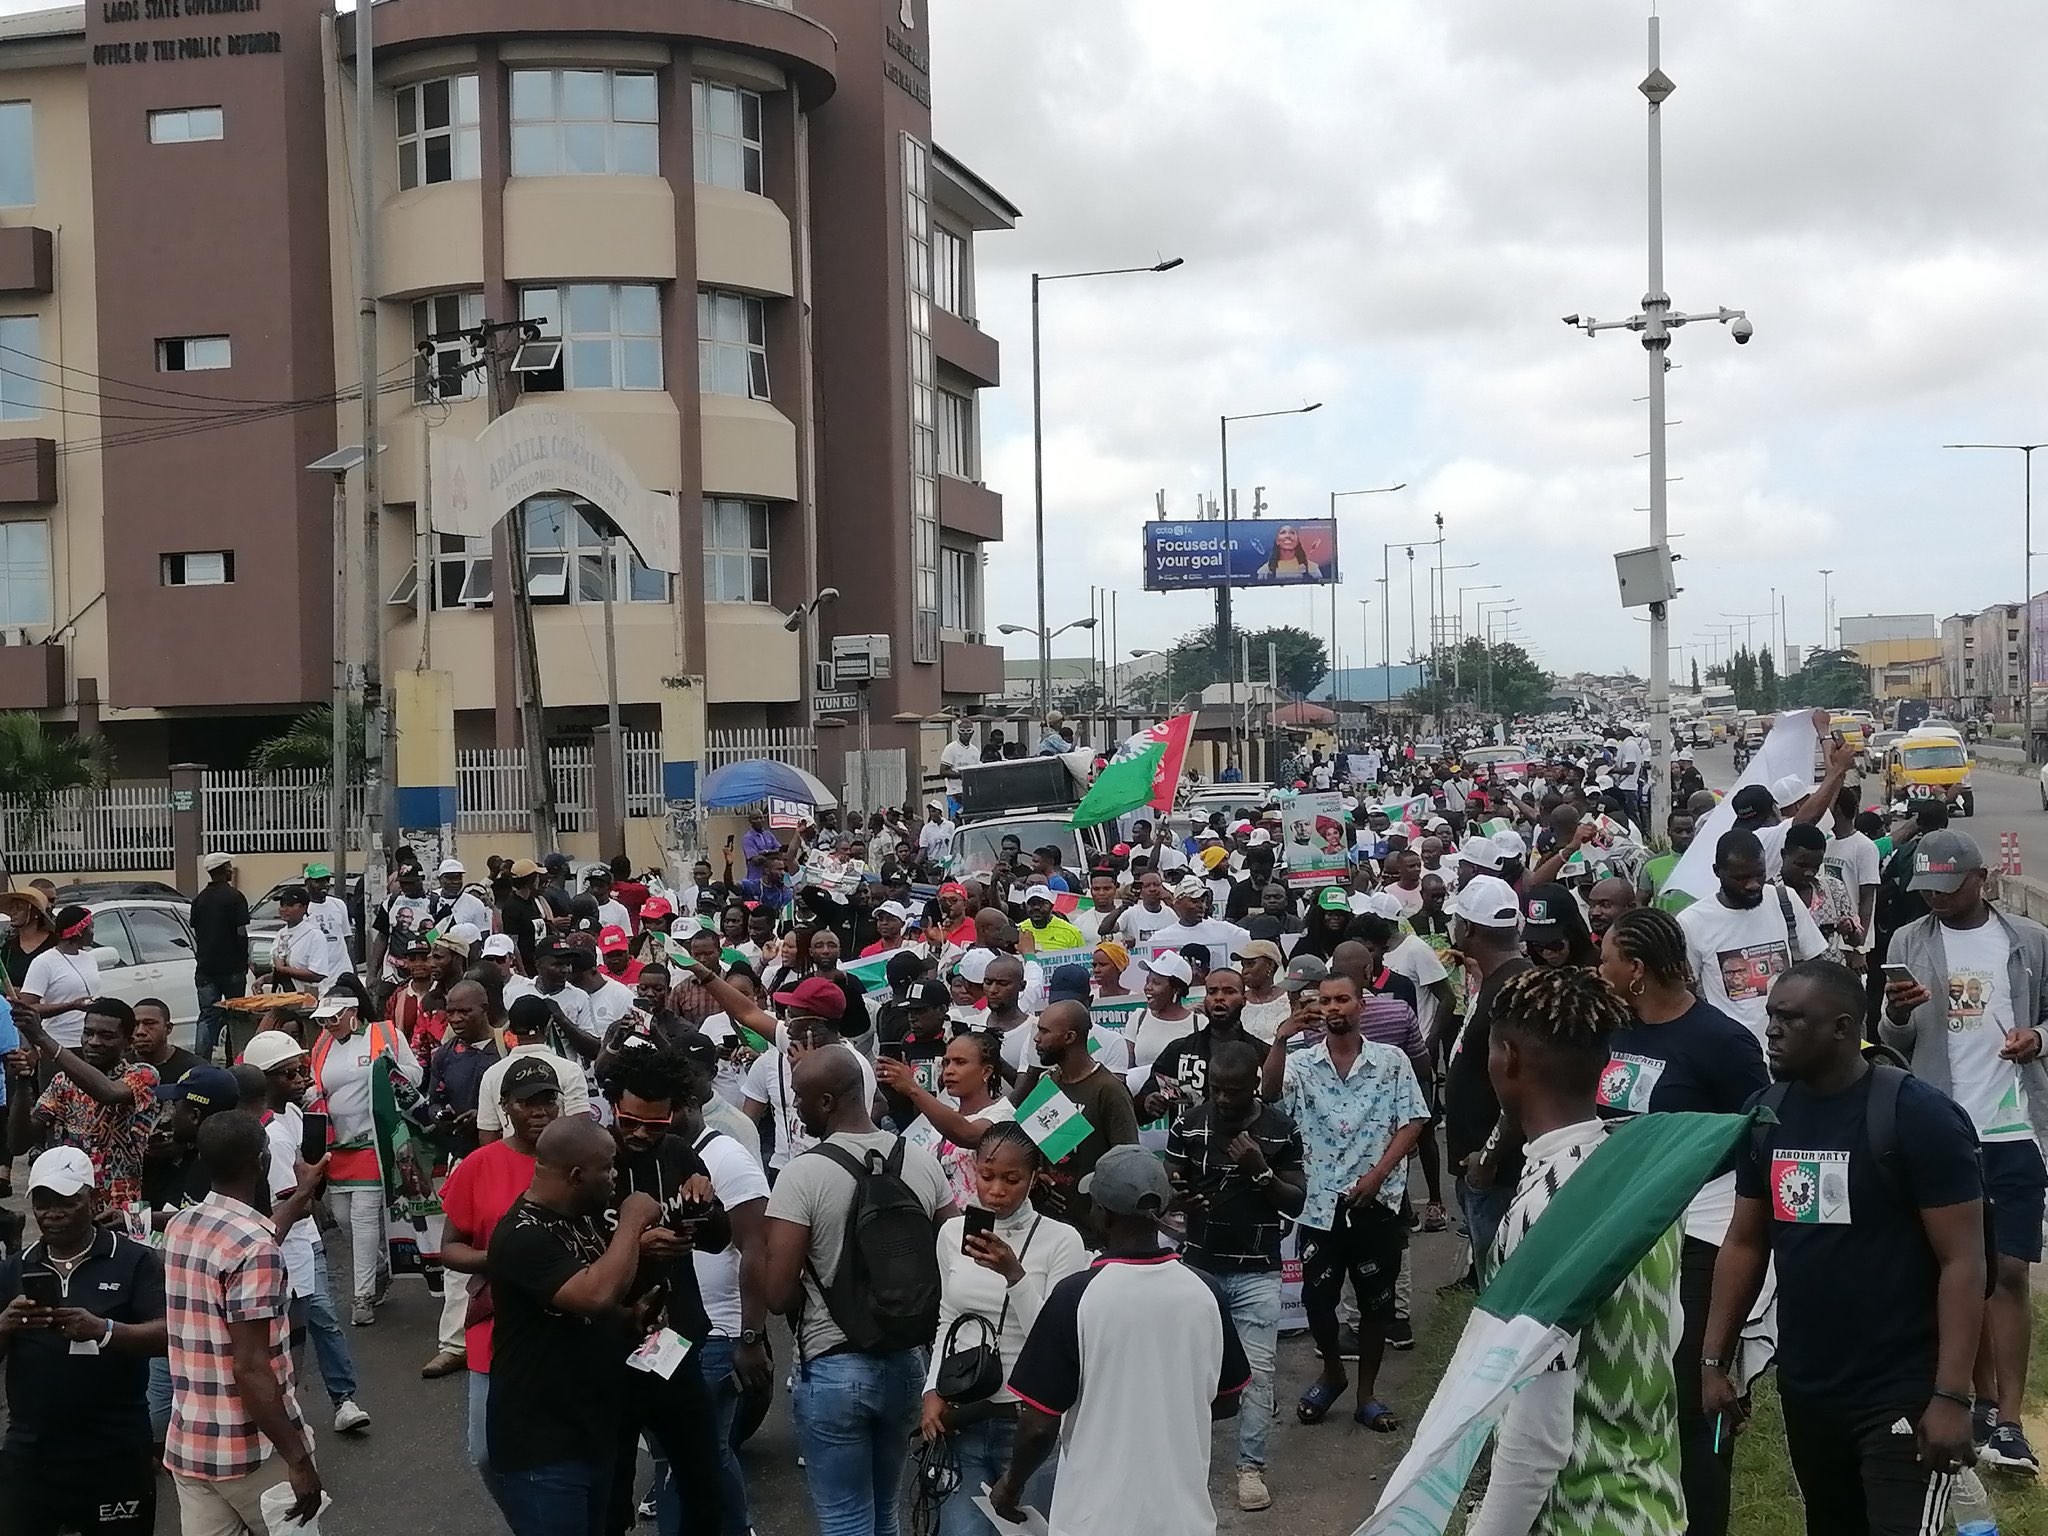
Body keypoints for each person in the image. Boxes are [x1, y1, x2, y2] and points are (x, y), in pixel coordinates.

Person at [1704, 961, 1985, 1535]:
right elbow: (1744, 1243)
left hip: (1904, 1388)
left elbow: (1964, 1261)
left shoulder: (1917, 1116)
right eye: (1772, 1014)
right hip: (1809, 1387)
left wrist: (1953, 1394)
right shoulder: (1766, 1115)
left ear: (1841, 1027)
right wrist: (1713, 1361)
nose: (1772, 1028)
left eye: (1791, 1018)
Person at [1463, 965, 1686, 1536]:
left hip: (1581, 1516)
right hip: (1655, 1503)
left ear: (1507, 1058)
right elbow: (1668, 1328)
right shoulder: (1640, 1176)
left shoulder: (1545, 1212)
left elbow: (1536, 1432)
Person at [1592, 907, 1766, 1535]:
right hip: (1627, 1232)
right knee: (1636, 1391)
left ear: (1635, 969)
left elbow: (1756, 1141)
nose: (1599, 966)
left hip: (1701, 1240)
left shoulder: (1722, 1042)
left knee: (1697, 1398)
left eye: (1607, 956)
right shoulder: (1615, 1032)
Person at [1879, 827, 2048, 1473]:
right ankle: (1974, 1402)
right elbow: (1889, 1033)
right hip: (1942, 1127)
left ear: (1981, 880)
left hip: (2013, 1127)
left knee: (2007, 1271)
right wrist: (1896, 1012)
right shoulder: (1907, 943)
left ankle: (2009, 1423)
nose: (1937, 901)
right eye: (1927, 890)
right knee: (1959, 1271)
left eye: (1949, 889)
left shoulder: (2028, 942)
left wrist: (2037, 1037)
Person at [989, 1145, 1250, 1536]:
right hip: (1184, 1522)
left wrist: (1010, 1486)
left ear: (1103, 1213)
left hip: (1094, 1522)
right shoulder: (1205, 1291)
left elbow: (1039, 1426)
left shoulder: (1075, 1297)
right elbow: (1229, 1398)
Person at [755, 1046, 953, 1536]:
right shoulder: (922, 1162)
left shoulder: (802, 1174)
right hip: (907, 1361)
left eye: (799, 1100)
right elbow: (952, 1255)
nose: (795, 1112)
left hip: (832, 1366)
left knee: (845, 1518)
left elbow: (777, 1296)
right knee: (886, 1511)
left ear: (825, 1101)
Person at [1261, 970, 1427, 1432]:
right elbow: (1270, 1099)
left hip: (1376, 1203)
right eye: (1325, 1001)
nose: (1333, 1008)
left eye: (1342, 1000)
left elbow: (1413, 1122)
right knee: (1318, 1297)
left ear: (1361, 1007)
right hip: (1318, 1204)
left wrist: (1378, 1175)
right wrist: (1279, 1041)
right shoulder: (1300, 1064)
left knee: (1377, 1303)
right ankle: (1332, 1372)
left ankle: (1368, 1393)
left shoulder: (1391, 1061)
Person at [486, 1117, 663, 1536]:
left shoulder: (580, 1219)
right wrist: (633, 1219)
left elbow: (588, 1309)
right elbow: (593, 1294)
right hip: (542, 1448)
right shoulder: (521, 1235)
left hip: (592, 1432)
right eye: (609, 1167)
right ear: (577, 1175)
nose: (616, 1176)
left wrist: (629, 1317)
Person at [922, 1122, 1089, 1535]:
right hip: (963, 1414)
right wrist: (930, 1390)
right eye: (987, 1176)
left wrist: (1014, 1275)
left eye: (1012, 1179)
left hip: (1029, 1425)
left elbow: (1055, 1342)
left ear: (1034, 1179)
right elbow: (948, 1320)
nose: (996, 1190)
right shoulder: (950, 1234)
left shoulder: (1062, 1241)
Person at [161, 1112, 324, 1533]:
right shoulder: (255, 1248)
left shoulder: (182, 1226)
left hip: (192, 1447)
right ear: (260, 1162)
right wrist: (299, 1459)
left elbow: (258, 1239)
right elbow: (250, 1368)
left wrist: (303, 1194)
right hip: (252, 1453)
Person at [1165, 1038, 1305, 1513]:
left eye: (1234, 1091)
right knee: (1190, 1372)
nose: (1223, 1099)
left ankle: (1250, 1467)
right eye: (1217, 1090)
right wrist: (1180, 1197)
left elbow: (1296, 1200)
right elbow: (1171, 1176)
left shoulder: (1280, 1129)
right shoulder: (1189, 1124)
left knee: (1258, 1374)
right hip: (1199, 1267)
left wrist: (1259, 1171)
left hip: (1258, 1272)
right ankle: (1188, 1464)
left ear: (1255, 1085)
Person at [0, 1145, 168, 1536]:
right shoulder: (15, 1269)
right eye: (42, 1203)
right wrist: (5, 1326)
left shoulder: (135, 1261)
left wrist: (105, 1331)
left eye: (65, 1202)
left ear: (92, 1200)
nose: (52, 1214)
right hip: (30, 1455)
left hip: (113, 1453)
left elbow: (170, 1334)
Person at [601, 1045, 728, 1536]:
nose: (640, 1134)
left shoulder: (677, 1152)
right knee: (611, 1488)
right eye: (631, 1121)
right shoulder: (592, 1156)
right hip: (609, 1347)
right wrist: (638, 1242)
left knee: (702, 1481)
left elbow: (718, 1240)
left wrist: (705, 1203)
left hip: (674, 1343)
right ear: (613, 1105)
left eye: (654, 1125)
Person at [438, 1058, 563, 1503]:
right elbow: (449, 1246)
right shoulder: (479, 1164)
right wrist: (501, 1260)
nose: (539, 1111)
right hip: (496, 1323)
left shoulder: (581, 1158)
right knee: (487, 1451)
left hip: (568, 1322)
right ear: (505, 1106)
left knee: (570, 1447)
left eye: (548, 1099)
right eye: (527, 1102)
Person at [307, 994, 422, 1325]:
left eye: (334, 1018)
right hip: (338, 1145)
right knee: (342, 1218)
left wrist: (391, 1069)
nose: (328, 1025)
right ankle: (379, 1266)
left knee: (363, 1217)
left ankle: (363, 1296)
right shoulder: (322, 1046)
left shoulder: (384, 1035)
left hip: (373, 1140)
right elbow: (319, 1086)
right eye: (322, 1020)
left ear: (352, 1012)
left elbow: (413, 1077)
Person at [7, 997, 158, 1214]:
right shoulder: (62, 1082)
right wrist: (22, 1082)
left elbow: (107, 1092)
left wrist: (41, 1037)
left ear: (128, 1041)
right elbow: (18, 1144)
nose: (94, 1042)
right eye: (88, 1033)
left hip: (118, 1211)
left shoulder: (143, 1074)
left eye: (106, 1036)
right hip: (68, 1207)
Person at [1678, 828, 1827, 1044]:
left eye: (1759, 874)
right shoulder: (1692, 922)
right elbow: (1686, 993)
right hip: (1733, 1051)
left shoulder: (1786, 900)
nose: (1753, 885)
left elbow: (1816, 970)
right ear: (1717, 872)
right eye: (1741, 878)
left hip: (1793, 1049)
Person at [1023, 1000, 1142, 1229]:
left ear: (1069, 1037)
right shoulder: (1047, 1081)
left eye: (1045, 1031)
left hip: (1092, 1227)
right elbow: (1035, 1148)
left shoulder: (1108, 1090)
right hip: (1046, 1221)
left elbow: (1127, 1161)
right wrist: (1037, 1177)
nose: (1036, 1038)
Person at [876, 1027, 1016, 1210]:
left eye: (960, 1062)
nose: (949, 1071)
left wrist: (913, 1088)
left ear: (986, 1072)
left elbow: (969, 1135)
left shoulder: (1003, 1113)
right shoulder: (942, 1112)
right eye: (946, 1063)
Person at [477, 993, 593, 1142]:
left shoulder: (492, 1074)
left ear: (510, 1029)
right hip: (558, 1162)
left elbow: (488, 1136)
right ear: (549, 1025)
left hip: (512, 1162)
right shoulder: (570, 1070)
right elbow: (581, 1129)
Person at [190, 853, 251, 1065]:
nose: (230, 870)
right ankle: (233, 1062)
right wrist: (245, 960)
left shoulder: (199, 899)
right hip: (232, 968)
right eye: (228, 866)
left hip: (205, 968)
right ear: (224, 870)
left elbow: (198, 932)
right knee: (235, 1018)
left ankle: (200, 1064)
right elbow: (241, 932)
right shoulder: (235, 897)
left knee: (207, 1016)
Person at [14, 905, 101, 1050]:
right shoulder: (44, 962)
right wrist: (71, 1006)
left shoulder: (89, 958)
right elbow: (26, 1008)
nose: (93, 932)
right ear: (79, 931)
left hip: (89, 1043)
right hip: (59, 1045)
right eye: (90, 927)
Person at [1781, 823, 1861, 962]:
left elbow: (1856, 940)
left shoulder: (1834, 888)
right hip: (1791, 980)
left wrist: (1850, 930)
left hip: (1830, 978)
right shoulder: (1770, 894)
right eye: (1801, 865)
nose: (1809, 872)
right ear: (1784, 855)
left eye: (1816, 866)